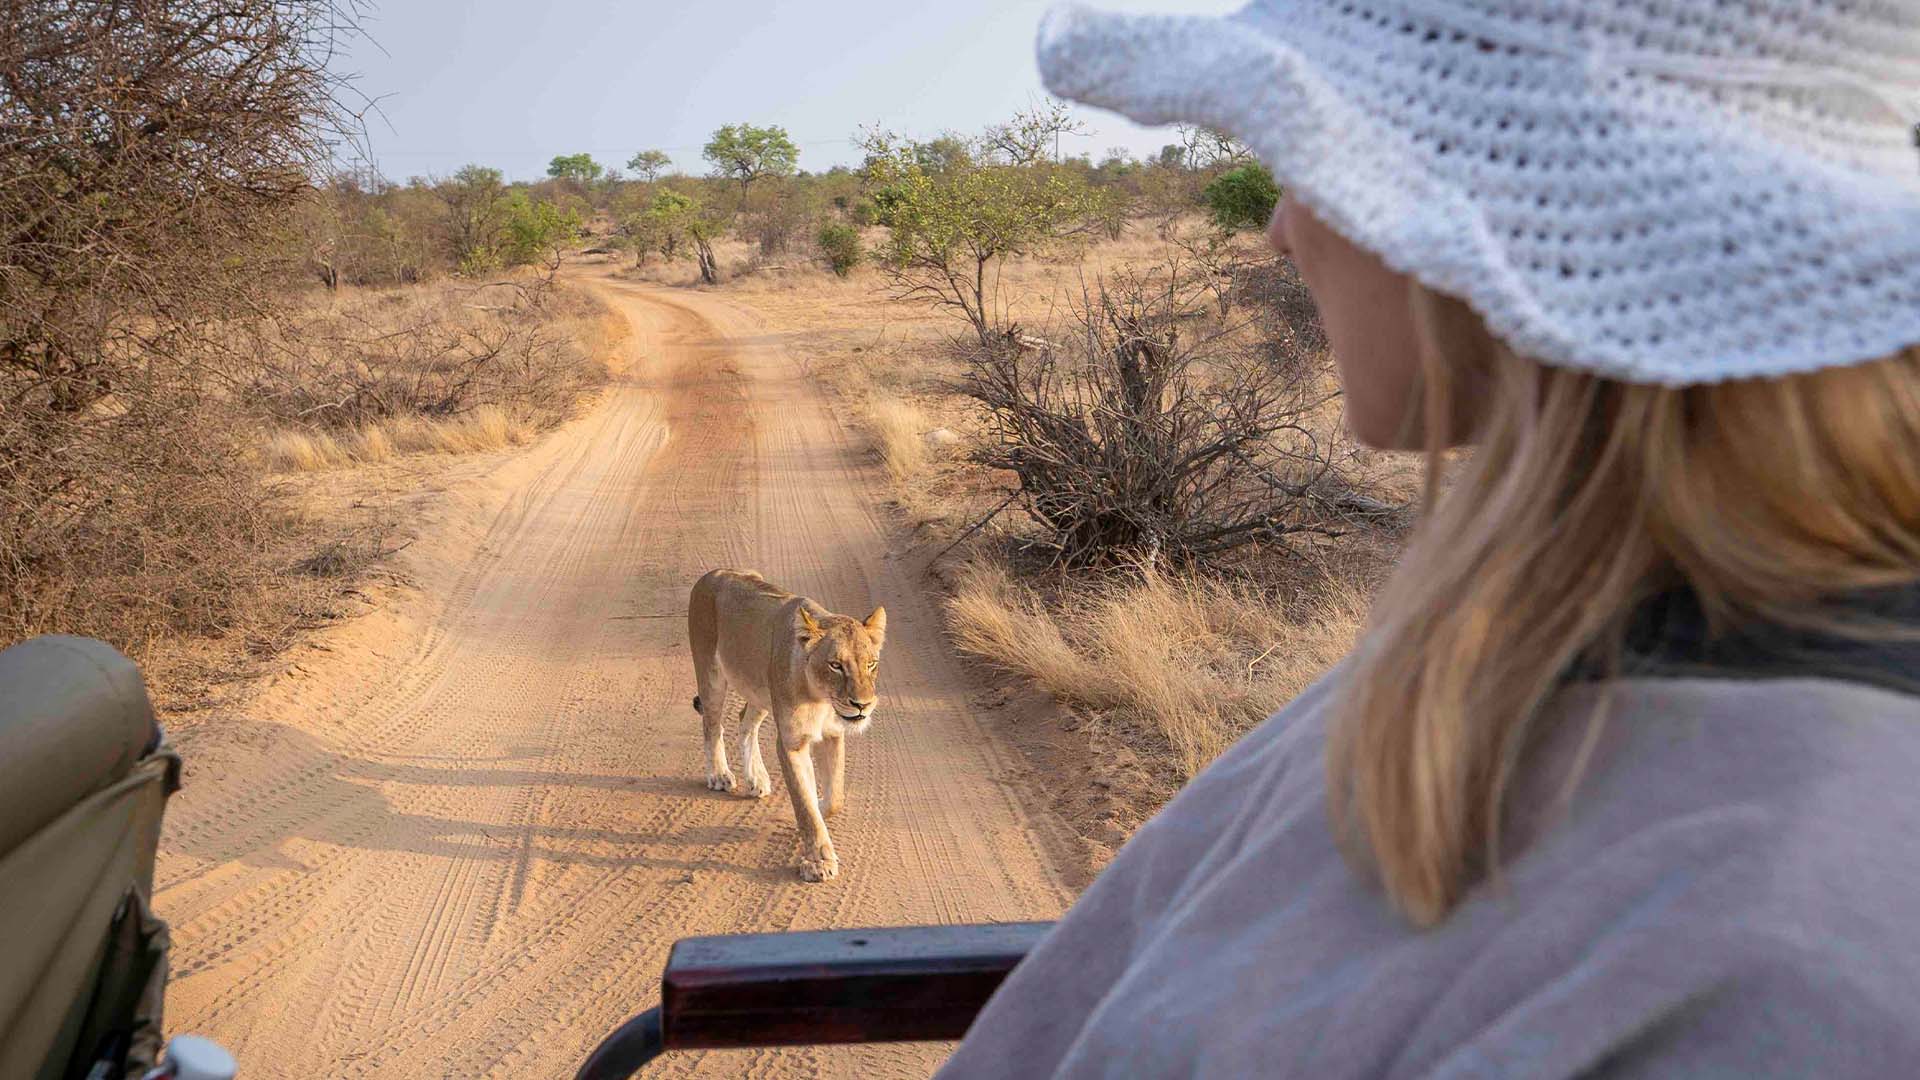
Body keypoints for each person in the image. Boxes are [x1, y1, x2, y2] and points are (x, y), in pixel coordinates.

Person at [939, 1, 1920, 1075]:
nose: (1283, 226)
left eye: (1330, 155)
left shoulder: (1786, 958)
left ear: (1514, 216)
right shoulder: (1482, 661)